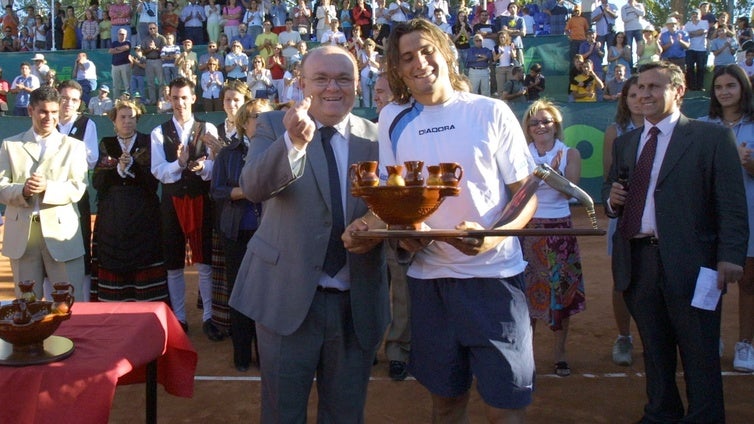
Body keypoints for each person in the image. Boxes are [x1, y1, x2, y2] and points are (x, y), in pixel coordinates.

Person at [380, 19, 536, 423]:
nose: (420, 63)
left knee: (504, 409)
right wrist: (404, 235)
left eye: (427, 50)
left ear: (445, 52)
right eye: (407, 57)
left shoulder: (491, 111)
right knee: (446, 405)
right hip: (430, 284)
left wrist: (491, 237)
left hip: (495, 281)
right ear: (397, 69)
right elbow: (394, 200)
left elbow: (525, 195)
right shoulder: (391, 118)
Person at [228, 45, 389, 422]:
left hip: (357, 302)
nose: (333, 87)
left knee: (346, 415)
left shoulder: (379, 137)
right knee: (283, 414)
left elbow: (392, 207)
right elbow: (252, 187)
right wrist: (293, 143)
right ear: (302, 85)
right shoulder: (272, 126)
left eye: (343, 78)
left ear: (357, 84)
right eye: (321, 79)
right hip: (286, 299)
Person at [603, 61, 747, 423]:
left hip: (693, 262)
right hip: (639, 260)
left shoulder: (711, 137)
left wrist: (730, 255)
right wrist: (612, 200)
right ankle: (661, 414)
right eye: (641, 88)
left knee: (699, 349)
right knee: (654, 348)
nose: (645, 94)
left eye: (655, 87)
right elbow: (609, 191)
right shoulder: (626, 142)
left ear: (678, 91)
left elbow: (731, 202)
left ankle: (705, 417)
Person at [0, 86, 88, 301]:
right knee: (26, 306)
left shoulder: (74, 147)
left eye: (54, 112)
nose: (49, 117)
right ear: (30, 110)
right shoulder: (10, 145)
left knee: (68, 304)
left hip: (61, 235)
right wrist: (23, 190)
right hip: (23, 236)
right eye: (43, 112)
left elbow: (78, 187)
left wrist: (47, 187)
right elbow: (1, 186)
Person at [520, 99, 584, 377]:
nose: (540, 126)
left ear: (556, 126)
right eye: (535, 123)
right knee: (527, 295)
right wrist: (547, 175)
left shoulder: (570, 153)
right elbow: (520, 193)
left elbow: (571, 192)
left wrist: (550, 174)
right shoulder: (521, 154)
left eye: (546, 121)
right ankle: (527, 356)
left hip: (561, 229)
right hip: (529, 229)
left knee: (562, 295)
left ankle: (560, 353)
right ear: (528, 129)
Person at [150, 76, 218, 332]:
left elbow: (214, 166)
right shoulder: (159, 132)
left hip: (201, 199)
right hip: (172, 202)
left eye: (184, 97)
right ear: (170, 99)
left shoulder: (208, 128)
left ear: (193, 98)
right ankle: (179, 318)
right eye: (175, 98)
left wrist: (202, 167)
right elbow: (158, 171)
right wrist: (179, 163)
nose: (180, 102)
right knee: (174, 260)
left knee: (205, 260)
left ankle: (208, 317)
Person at [698, 64, 754, 373]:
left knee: (749, 282)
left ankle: (745, 343)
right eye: (719, 87)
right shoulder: (703, 126)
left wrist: (749, 164)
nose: (724, 92)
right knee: (711, 280)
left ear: (742, 89)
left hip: (750, 213)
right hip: (710, 216)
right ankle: (711, 338)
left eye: (730, 86)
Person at [211, 97, 272, 369]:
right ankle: (242, 355)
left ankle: (266, 353)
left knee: (268, 294)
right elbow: (217, 190)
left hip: (270, 232)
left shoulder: (279, 151)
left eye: (267, 116)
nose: (262, 122)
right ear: (244, 122)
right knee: (240, 292)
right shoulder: (227, 154)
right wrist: (245, 192)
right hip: (236, 232)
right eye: (257, 116)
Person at [91, 100, 169, 303]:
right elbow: (97, 182)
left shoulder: (148, 141)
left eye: (131, 117)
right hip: (113, 216)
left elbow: (153, 183)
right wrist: (117, 170)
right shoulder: (106, 144)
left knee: (145, 261)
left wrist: (132, 166)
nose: (127, 121)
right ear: (114, 121)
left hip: (144, 214)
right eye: (122, 117)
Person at [602, 74, 641, 366]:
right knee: (622, 280)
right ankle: (624, 337)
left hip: (660, 221)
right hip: (624, 218)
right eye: (632, 94)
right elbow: (610, 179)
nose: (639, 98)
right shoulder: (616, 132)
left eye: (645, 90)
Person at [141, 23, 167, 106]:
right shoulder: (146, 39)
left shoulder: (162, 38)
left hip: (159, 60)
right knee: (150, 82)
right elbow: (143, 51)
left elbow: (165, 50)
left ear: (157, 28)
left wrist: (155, 48)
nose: (152, 30)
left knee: (161, 82)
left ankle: (160, 99)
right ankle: (152, 100)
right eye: (150, 29)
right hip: (149, 61)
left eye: (153, 28)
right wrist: (150, 49)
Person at [685, 9, 709, 91]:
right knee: (690, 68)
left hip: (701, 49)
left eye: (696, 14)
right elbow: (686, 35)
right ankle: (691, 86)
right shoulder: (687, 24)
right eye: (693, 14)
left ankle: (700, 86)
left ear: (700, 15)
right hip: (690, 49)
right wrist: (697, 32)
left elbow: (703, 32)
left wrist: (692, 33)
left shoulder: (704, 22)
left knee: (701, 68)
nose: (695, 15)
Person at [109, 28, 132, 101]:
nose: (121, 35)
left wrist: (116, 50)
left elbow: (126, 47)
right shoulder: (114, 43)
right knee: (116, 85)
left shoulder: (128, 42)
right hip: (115, 66)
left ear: (126, 35)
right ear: (117, 35)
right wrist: (120, 49)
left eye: (123, 34)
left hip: (125, 65)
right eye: (120, 34)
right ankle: (116, 101)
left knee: (127, 85)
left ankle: (128, 100)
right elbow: (110, 51)